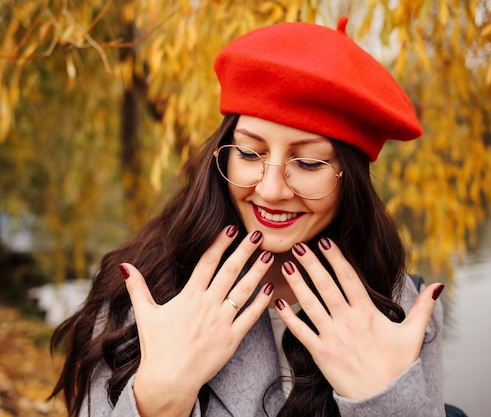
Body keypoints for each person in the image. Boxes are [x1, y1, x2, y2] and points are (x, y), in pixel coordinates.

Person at [50, 16, 446, 417]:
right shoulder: (142, 294)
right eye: (249, 153)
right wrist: (157, 399)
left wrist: (384, 401)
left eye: (308, 163)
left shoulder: (400, 314)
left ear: (352, 180)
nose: (271, 190)